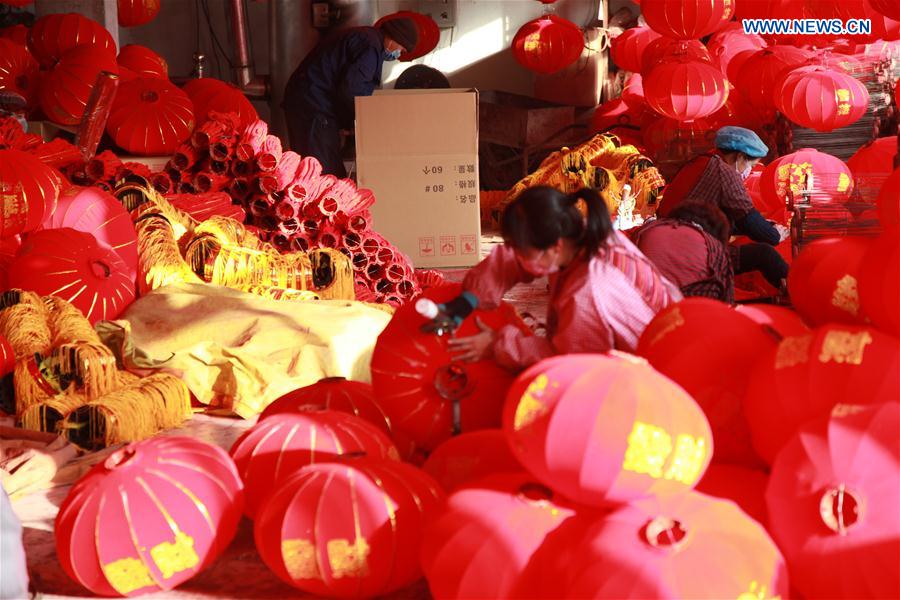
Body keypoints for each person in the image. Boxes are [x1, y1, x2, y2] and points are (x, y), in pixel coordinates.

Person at [446, 186, 683, 371]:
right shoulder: (585, 234)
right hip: (669, 327)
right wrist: (470, 296)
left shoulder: (587, 292)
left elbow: (569, 362)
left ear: (555, 246)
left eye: (522, 250)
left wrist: (497, 344)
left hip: (648, 376)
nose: (516, 256)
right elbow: (511, 259)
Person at [281, 18, 419, 178]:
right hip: (314, 107)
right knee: (323, 174)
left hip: (308, 103)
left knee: (313, 169)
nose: (398, 55)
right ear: (395, 38)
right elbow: (352, 90)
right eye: (401, 50)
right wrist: (358, 124)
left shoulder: (366, 38)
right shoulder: (370, 48)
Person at [657, 126, 790, 290]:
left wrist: (764, 225)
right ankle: (797, 291)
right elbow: (749, 221)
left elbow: (723, 218)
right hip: (691, 253)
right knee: (765, 255)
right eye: (751, 165)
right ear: (740, 157)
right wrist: (775, 234)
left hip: (667, 240)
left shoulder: (701, 161)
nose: (750, 171)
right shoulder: (723, 172)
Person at [632, 200, 734, 302]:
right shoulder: (715, 248)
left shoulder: (647, 230)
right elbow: (726, 302)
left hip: (636, 304)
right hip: (687, 312)